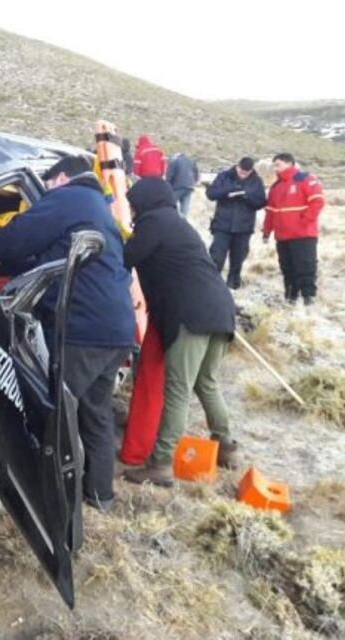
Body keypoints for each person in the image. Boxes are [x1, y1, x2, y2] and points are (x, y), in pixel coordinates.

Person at [0, 155, 136, 509]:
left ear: (61, 178)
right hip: (115, 329)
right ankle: (99, 494)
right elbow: (49, 255)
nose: (46, 192)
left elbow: (19, 237)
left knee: (49, 412)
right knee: (95, 411)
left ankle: (31, 495)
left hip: (82, 328)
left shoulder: (68, 198)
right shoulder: (95, 204)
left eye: (48, 184)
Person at [122, 177, 238, 486]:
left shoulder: (154, 223)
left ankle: (160, 464)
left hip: (192, 317)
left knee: (177, 390)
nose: (132, 210)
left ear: (144, 202)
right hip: (221, 310)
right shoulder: (177, 223)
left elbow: (125, 257)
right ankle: (226, 447)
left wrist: (114, 232)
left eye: (133, 204)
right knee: (207, 382)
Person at [263, 153, 325, 306]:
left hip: (303, 235)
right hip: (283, 237)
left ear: (289, 163)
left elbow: (318, 202)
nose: (275, 168)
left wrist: (303, 222)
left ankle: (308, 299)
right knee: (287, 268)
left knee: (305, 267)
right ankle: (290, 298)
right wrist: (266, 231)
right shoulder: (276, 187)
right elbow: (270, 211)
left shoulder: (305, 179)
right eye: (274, 165)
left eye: (278, 164)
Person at [206, 157, 267, 289]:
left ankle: (233, 285)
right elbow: (211, 194)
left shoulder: (256, 181)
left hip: (243, 228)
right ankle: (211, 285)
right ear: (237, 166)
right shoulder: (224, 176)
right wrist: (228, 191)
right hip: (222, 225)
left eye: (246, 173)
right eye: (241, 171)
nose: (243, 174)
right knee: (216, 256)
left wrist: (246, 196)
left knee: (238, 259)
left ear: (251, 171)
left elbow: (261, 202)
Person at [166, 152, 199, 217]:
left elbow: (169, 175)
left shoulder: (174, 161)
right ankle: (183, 222)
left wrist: (167, 187)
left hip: (178, 186)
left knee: (170, 204)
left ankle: (174, 220)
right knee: (184, 210)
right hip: (190, 187)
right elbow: (196, 174)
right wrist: (193, 182)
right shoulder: (191, 160)